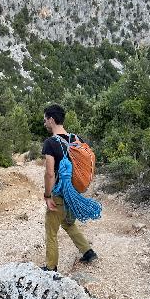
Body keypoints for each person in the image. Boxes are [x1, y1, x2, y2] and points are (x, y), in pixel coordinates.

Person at [41, 103, 98, 271]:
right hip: (75, 192)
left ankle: (51, 267)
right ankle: (88, 252)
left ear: (51, 120)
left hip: (60, 193)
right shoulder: (77, 139)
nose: (44, 123)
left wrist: (47, 195)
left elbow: (50, 174)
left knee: (51, 230)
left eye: (45, 120)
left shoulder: (51, 143)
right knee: (68, 223)